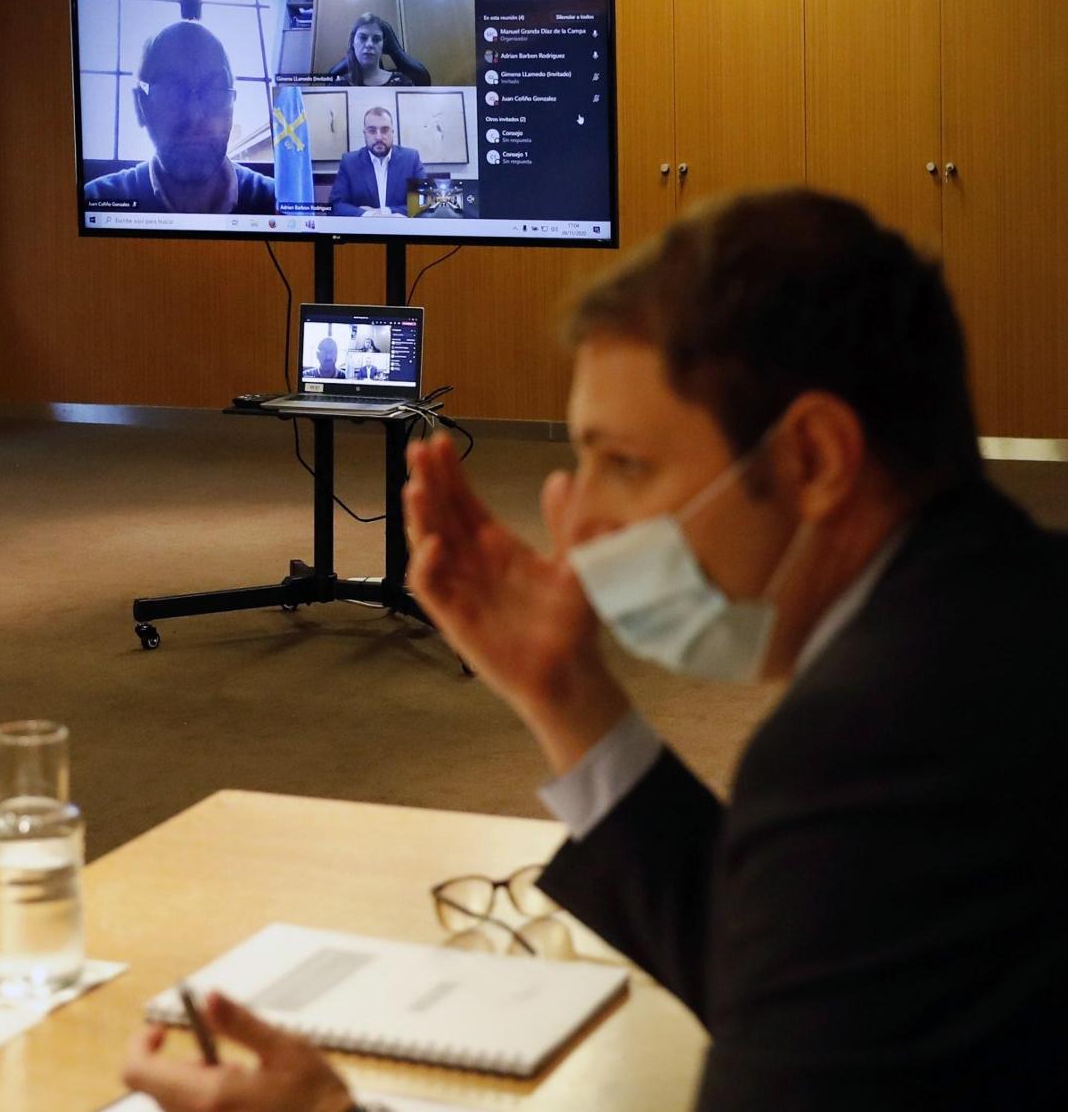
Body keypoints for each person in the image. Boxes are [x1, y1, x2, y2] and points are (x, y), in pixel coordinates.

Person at [120, 188, 1068, 1112]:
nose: (580, 524)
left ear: (814, 457)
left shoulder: (874, 745)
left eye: (627, 464)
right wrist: (565, 696)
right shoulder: (1010, 610)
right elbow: (797, 966)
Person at [83, 20, 276, 214]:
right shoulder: (95, 200)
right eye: (171, 92)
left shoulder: (277, 202)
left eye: (214, 91)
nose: (195, 117)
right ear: (141, 106)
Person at [328, 108, 426, 217]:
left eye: (385, 130)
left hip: (401, 227)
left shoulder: (411, 159)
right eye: (372, 131)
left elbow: (425, 202)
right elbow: (335, 206)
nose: (379, 137)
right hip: (364, 228)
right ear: (365, 133)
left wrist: (386, 211)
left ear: (392, 132)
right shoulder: (350, 162)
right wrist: (369, 215)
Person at [328, 13, 431, 87]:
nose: (369, 44)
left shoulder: (401, 83)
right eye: (363, 38)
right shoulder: (339, 85)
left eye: (376, 39)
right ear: (353, 43)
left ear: (383, 45)